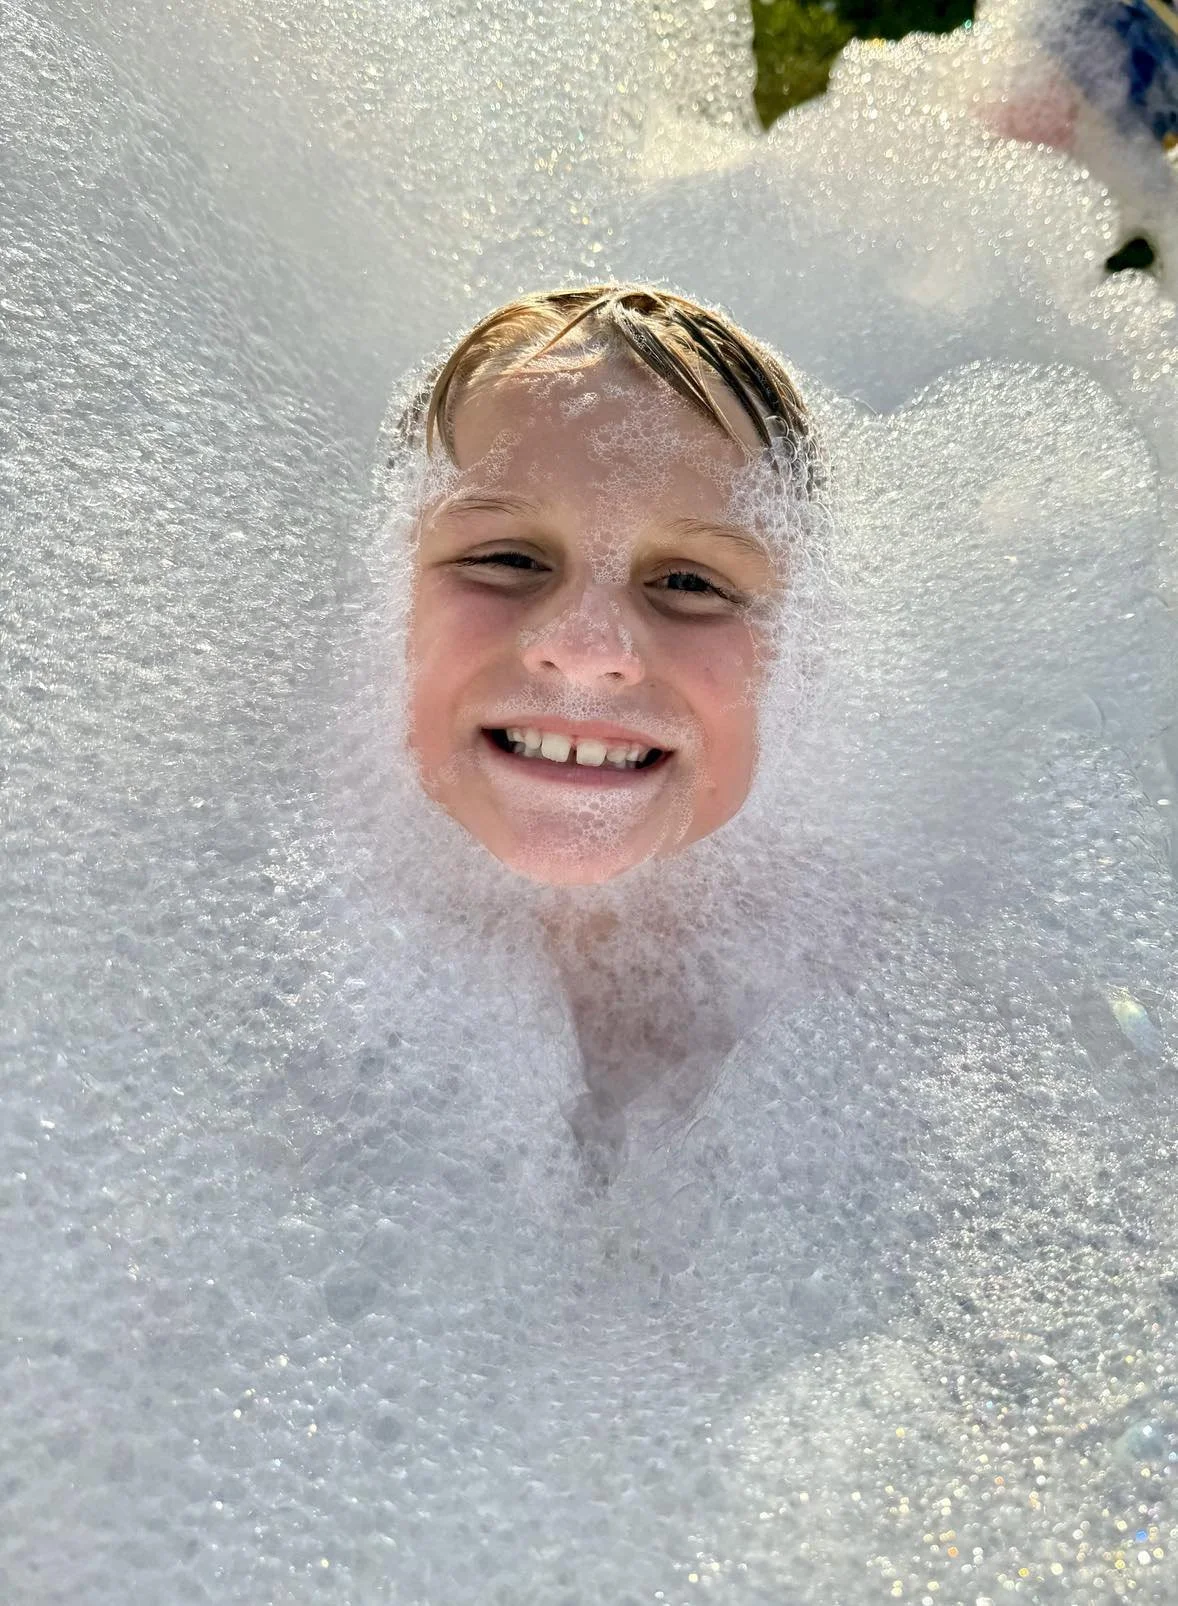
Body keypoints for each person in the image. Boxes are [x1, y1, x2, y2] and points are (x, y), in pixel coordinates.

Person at [378, 285, 830, 1171]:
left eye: (693, 583)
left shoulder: (866, 989)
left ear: (809, 656)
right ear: (378, 604)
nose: (586, 651)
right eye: (507, 558)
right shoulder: (225, 943)